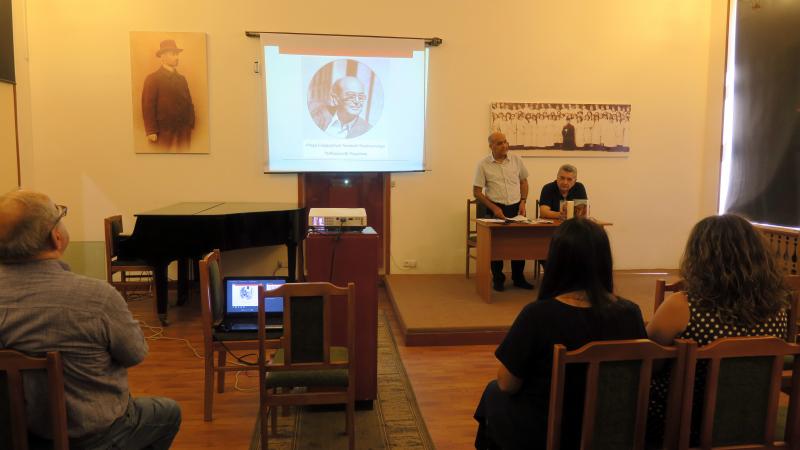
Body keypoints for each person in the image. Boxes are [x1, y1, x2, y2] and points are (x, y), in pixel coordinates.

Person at [0, 190, 181, 449]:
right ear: (56, 236)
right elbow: (135, 354)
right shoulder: (98, 298)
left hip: (14, 436)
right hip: (93, 436)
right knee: (168, 412)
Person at [473, 218, 646, 450]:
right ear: (604, 260)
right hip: (611, 430)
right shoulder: (630, 313)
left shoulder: (538, 315)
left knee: (493, 392)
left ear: (556, 260)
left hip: (550, 432)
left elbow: (507, 383)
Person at [646, 214, 789, 445]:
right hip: (750, 422)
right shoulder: (777, 310)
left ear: (700, 258)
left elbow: (649, 363)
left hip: (686, 425)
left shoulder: (682, 306)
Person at [473, 131, 534, 291]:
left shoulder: (516, 160)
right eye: (500, 143)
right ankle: (498, 279)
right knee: (496, 246)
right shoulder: (483, 164)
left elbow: (524, 182)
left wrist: (523, 201)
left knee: (519, 244)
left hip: (516, 207)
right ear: (491, 146)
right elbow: (477, 192)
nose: (505, 145)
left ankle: (518, 278)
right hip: (495, 208)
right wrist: (494, 208)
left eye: (505, 142)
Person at [142, 39, 196, 150]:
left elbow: (189, 103)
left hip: (183, 132)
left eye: (177, 54)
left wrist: (190, 123)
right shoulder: (153, 79)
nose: (177, 57)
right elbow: (148, 107)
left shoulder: (182, 79)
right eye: (173, 54)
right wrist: (151, 130)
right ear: (163, 56)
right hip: (163, 133)